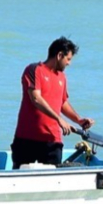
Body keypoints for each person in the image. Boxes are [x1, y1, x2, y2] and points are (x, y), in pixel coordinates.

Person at [11, 37, 95, 168]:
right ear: (59, 55)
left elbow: (62, 103)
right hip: (26, 138)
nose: (69, 63)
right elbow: (36, 98)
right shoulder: (34, 70)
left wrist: (78, 120)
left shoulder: (62, 77)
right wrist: (59, 119)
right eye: (68, 59)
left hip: (52, 140)